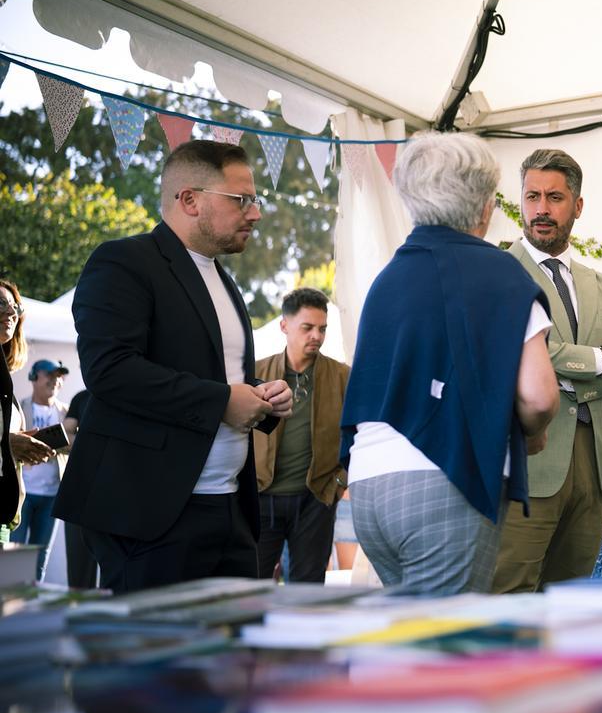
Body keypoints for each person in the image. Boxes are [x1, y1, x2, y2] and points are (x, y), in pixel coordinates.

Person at [54, 140, 293, 593]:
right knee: (156, 661)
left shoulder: (224, 280)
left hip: (231, 511)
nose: (255, 213)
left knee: (229, 660)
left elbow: (215, 376)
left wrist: (261, 395)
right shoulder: (123, 261)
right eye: (242, 199)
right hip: (153, 515)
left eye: (255, 200)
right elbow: (111, 370)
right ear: (189, 200)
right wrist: (223, 401)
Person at [340, 131, 558, 596]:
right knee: (442, 646)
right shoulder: (500, 272)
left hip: (369, 485)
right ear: (484, 205)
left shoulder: (388, 278)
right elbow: (539, 395)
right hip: (445, 476)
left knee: (408, 637)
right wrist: (532, 434)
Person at [492, 149, 602, 593]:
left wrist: (559, 367)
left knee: (568, 602)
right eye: (532, 196)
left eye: (554, 197)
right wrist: (598, 361)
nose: (541, 208)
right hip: (527, 457)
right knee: (508, 598)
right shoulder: (500, 273)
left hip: (595, 468)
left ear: (577, 206)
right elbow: (517, 354)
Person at [253, 287, 350, 583]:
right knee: (251, 584)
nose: (316, 336)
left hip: (315, 498)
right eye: (307, 328)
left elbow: (356, 434)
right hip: (261, 495)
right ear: (285, 326)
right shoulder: (256, 372)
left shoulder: (342, 376)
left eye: (322, 329)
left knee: (308, 591)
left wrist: (337, 483)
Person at [1, 279, 53, 534]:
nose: (11, 312)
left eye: (16, 307)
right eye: (1, 304)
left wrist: (20, 443)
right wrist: (6, 443)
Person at [14, 359, 71, 578]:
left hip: (52, 496)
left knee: (40, 557)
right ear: (34, 377)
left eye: (59, 376)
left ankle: (32, 604)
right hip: (23, 493)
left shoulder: (67, 413)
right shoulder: (20, 408)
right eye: (50, 375)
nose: (55, 380)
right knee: (15, 552)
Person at [61, 388, 98, 587]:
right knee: (79, 567)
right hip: (81, 491)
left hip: (117, 492)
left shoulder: (130, 394)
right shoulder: (81, 398)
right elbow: (65, 435)